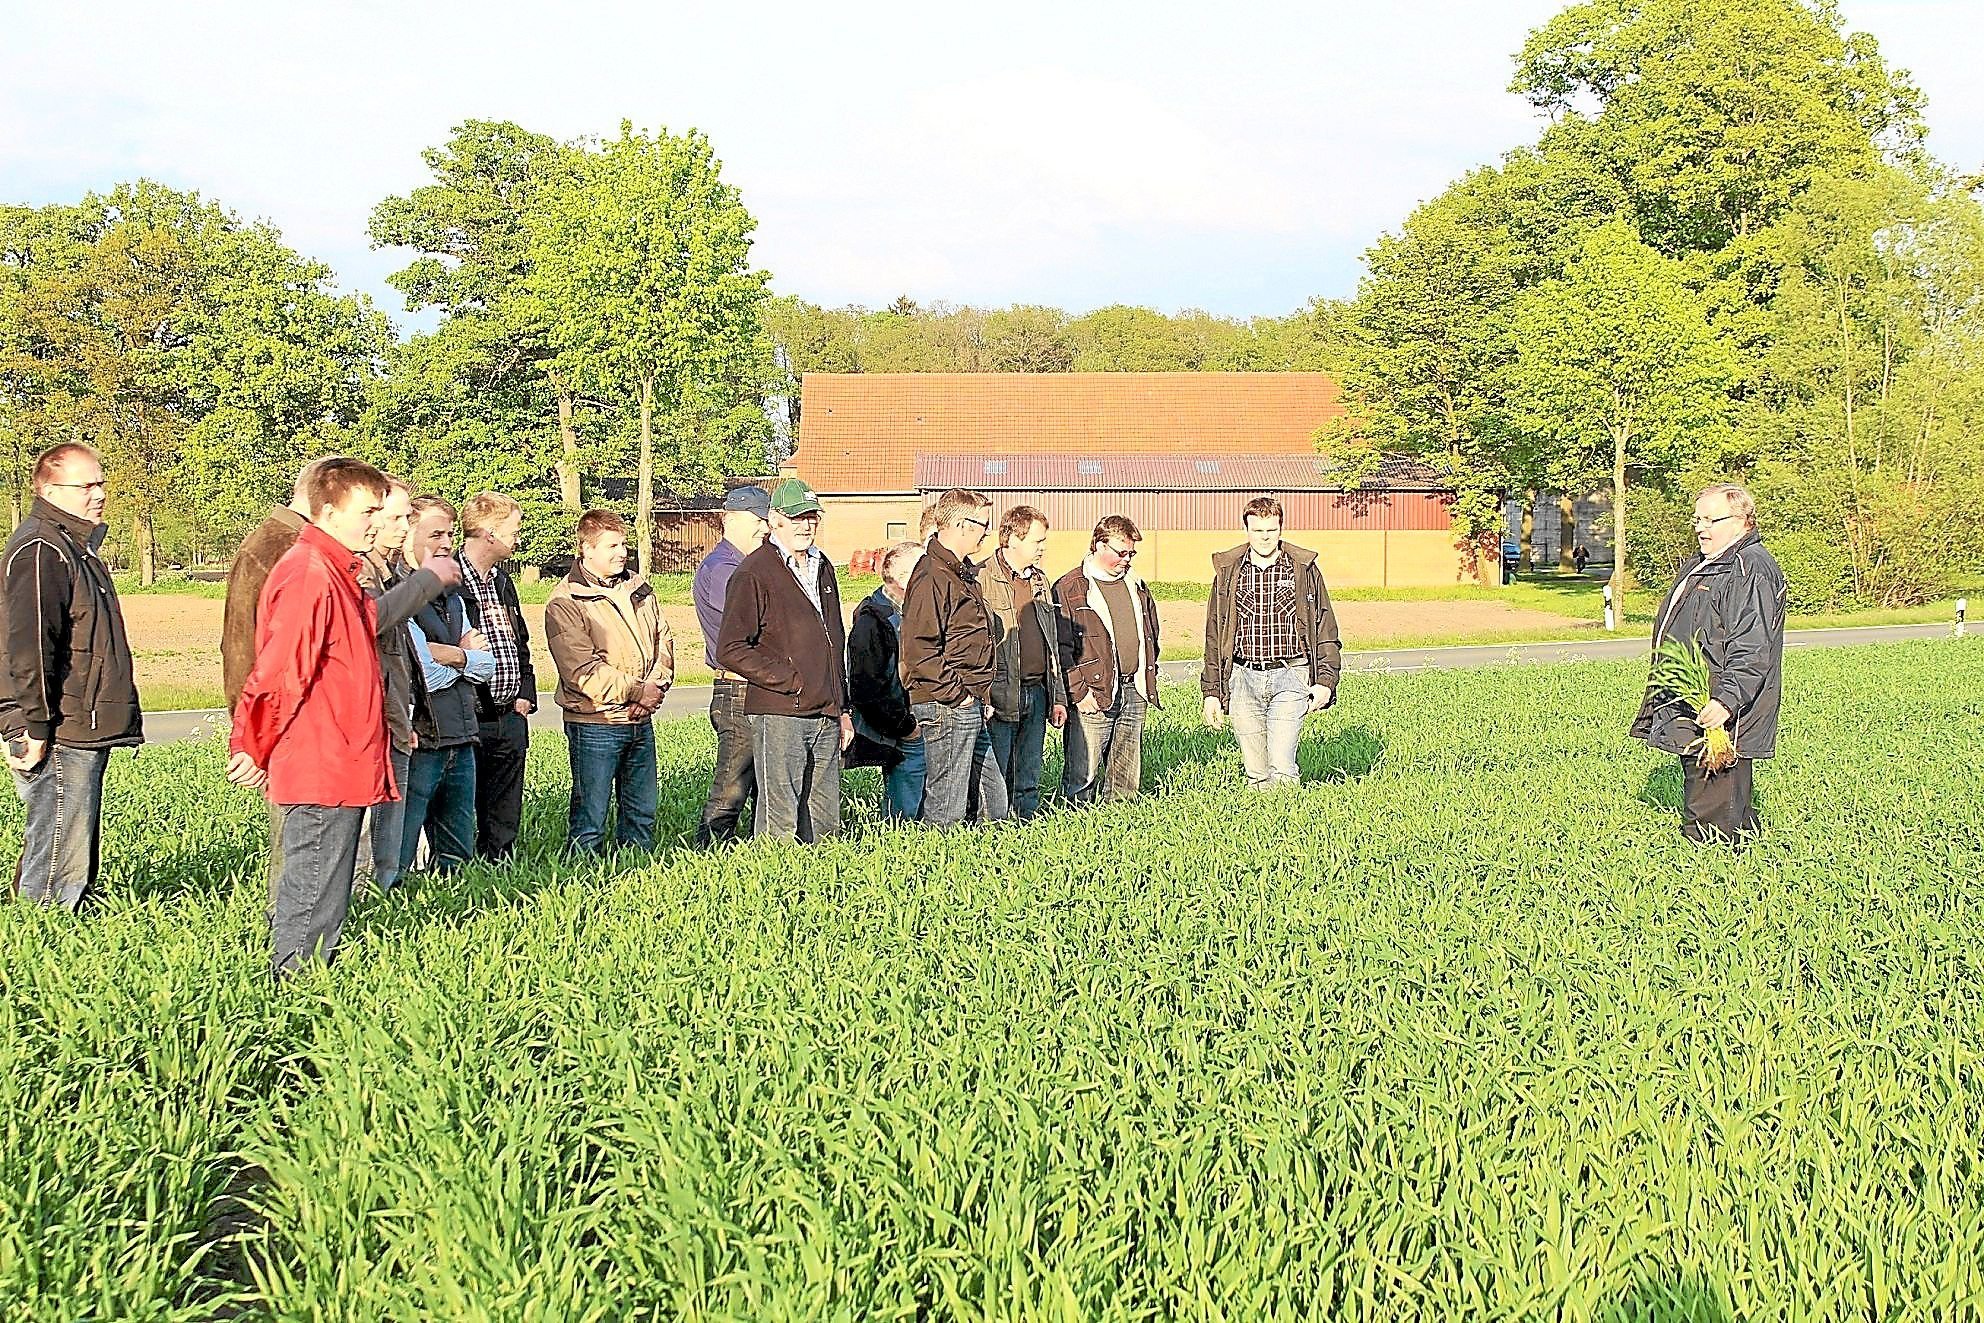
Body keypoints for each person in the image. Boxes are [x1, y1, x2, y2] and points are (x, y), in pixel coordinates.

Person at [226, 459, 392, 977]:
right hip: (321, 758)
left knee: (327, 889)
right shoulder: (308, 574)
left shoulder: (337, 573)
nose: (375, 522)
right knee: (312, 884)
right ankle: (292, 992)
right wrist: (253, 743)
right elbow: (278, 673)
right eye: (367, 511)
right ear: (326, 512)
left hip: (341, 755)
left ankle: (313, 979)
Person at [1, 444, 143, 910]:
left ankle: (59, 925)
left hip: (77, 719)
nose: (99, 493)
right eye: (87, 485)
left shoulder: (71, 545)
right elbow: (29, 647)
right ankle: (44, 939)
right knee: (60, 854)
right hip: (61, 724)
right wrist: (33, 727)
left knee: (69, 841)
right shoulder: (42, 549)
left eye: (101, 482)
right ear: (49, 489)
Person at [1631, 483, 1787, 845]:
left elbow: (1753, 644)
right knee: (1717, 796)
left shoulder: (1750, 569)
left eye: (1709, 519)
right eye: (1697, 519)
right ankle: (1736, 861)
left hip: (1721, 708)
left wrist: (1726, 700)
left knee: (1714, 804)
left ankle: (1710, 874)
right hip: (1698, 697)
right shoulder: (1710, 562)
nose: (1700, 527)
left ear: (1740, 520)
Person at [714, 479, 852, 843]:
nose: (805, 525)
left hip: (826, 709)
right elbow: (730, 647)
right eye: (796, 517)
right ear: (775, 520)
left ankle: (822, 883)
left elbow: (832, 639)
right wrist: (791, 679)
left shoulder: (823, 567)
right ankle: (776, 886)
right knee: (781, 814)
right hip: (780, 710)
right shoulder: (754, 571)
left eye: (811, 517)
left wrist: (843, 706)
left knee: (824, 814)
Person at [544, 510, 673, 854]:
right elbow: (581, 669)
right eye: (611, 546)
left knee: (642, 813)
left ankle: (638, 874)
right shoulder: (566, 602)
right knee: (591, 817)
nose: (621, 553)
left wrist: (654, 688)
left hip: (640, 719)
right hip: (595, 722)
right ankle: (583, 883)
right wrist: (636, 691)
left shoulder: (640, 589)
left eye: (624, 544)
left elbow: (664, 640)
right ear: (585, 549)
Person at [354, 478, 457, 894]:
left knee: (388, 835)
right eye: (396, 517)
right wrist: (427, 580)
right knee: (363, 835)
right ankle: (360, 909)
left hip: (396, 717)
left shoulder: (392, 572)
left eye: (406, 517)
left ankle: (382, 899)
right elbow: (372, 622)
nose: (403, 526)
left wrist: (403, 712)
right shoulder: (359, 570)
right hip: (367, 722)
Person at [1200, 496, 1342, 789]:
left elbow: (1325, 626)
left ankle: (1292, 828)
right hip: (1243, 677)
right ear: (1247, 530)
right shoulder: (1229, 573)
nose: (1264, 537)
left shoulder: (1303, 570)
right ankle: (1263, 829)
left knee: (1282, 766)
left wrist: (1326, 682)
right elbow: (1215, 634)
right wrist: (1212, 691)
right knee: (1256, 772)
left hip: (1291, 674)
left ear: (1280, 529)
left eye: (1271, 530)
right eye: (1257, 530)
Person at [900, 488, 1009, 827]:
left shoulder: (957, 572)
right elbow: (919, 649)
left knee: (993, 797)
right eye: (983, 525)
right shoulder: (932, 574)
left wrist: (979, 693)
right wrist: (958, 696)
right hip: (946, 703)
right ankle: (937, 868)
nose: (987, 533)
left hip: (969, 699)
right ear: (962, 524)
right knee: (947, 802)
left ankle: (991, 865)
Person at [399, 498, 488, 877]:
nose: (447, 542)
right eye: (436, 533)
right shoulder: (398, 593)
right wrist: (464, 655)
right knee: (398, 855)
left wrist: (448, 655)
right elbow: (424, 674)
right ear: (407, 533)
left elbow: (489, 665)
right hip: (421, 737)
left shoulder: (451, 593)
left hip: (461, 733)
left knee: (457, 857)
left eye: (450, 533)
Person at [1055, 515, 1161, 804]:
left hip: (1133, 689)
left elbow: (1151, 632)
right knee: (1083, 771)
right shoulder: (1071, 586)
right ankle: (1076, 823)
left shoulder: (1136, 584)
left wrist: (1148, 673)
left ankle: (1120, 820)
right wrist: (1078, 691)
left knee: (1126, 772)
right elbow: (1061, 647)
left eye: (1131, 553)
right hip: (1093, 693)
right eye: (1121, 552)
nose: (1127, 559)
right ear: (1099, 545)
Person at [457, 491, 537, 860]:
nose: (518, 536)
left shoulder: (503, 582)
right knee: (459, 804)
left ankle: (499, 862)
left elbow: (519, 641)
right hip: (469, 713)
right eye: (513, 529)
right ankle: (455, 872)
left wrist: (525, 691)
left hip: (509, 712)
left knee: (505, 805)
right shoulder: (450, 580)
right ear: (490, 533)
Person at [222, 456, 335, 714]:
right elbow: (250, 647)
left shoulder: (280, 539)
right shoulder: (288, 546)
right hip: (283, 718)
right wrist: (255, 725)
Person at [690, 486, 770, 845]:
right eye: (759, 520)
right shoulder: (725, 569)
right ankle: (709, 847)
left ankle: (752, 847)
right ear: (732, 520)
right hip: (738, 688)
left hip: (755, 686)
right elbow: (752, 628)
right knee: (733, 782)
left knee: (761, 779)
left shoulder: (743, 565)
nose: (765, 529)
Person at [980, 504, 1066, 820]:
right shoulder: (981, 579)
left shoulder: (1041, 581)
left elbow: (1052, 644)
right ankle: (993, 835)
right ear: (1013, 539)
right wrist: (984, 695)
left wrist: (1057, 697)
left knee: (1028, 775)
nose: (1042, 548)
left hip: (1037, 691)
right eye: (1037, 541)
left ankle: (1026, 830)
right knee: (996, 777)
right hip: (1000, 694)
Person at [847, 541, 926, 820]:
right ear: (904, 579)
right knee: (908, 791)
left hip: (913, 718)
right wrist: (904, 726)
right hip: (902, 726)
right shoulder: (874, 619)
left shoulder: (908, 612)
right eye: (923, 570)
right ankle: (901, 845)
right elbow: (867, 683)